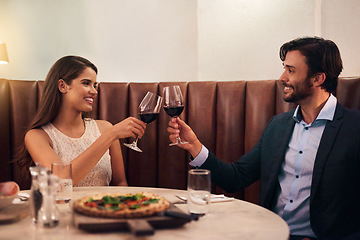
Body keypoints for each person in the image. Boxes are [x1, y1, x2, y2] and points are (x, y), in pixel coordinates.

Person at [167, 37, 360, 240]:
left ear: (317, 79)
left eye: (291, 71)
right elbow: (236, 178)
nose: (282, 77)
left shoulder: (354, 128)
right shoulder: (278, 125)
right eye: (284, 68)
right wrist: (195, 147)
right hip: (269, 233)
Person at [18, 55, 146, 186]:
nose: (94, 91)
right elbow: (61, 181)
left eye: (94, 85)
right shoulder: (36, 136)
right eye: (86, 83)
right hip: (63, 207)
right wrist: (111, 135)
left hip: (102, 206)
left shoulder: (105, 128)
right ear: (62, 86)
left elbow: (120, 183)